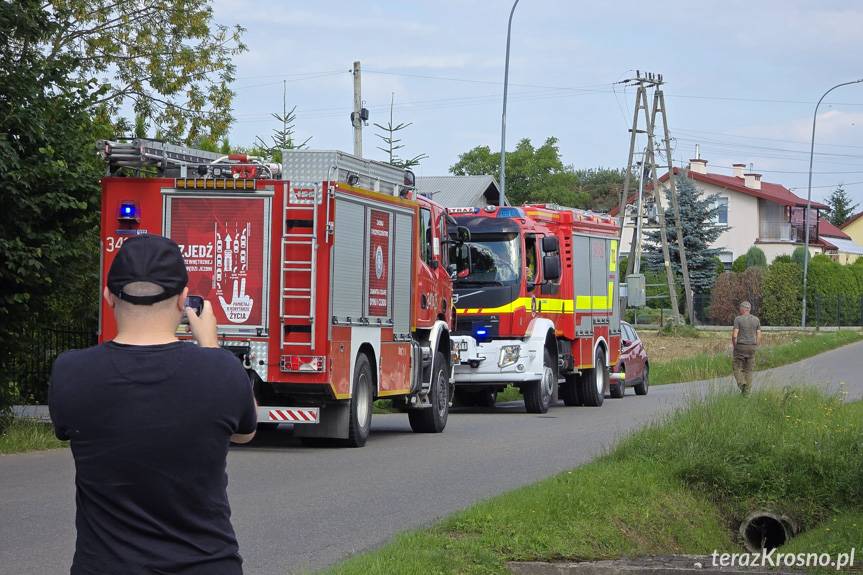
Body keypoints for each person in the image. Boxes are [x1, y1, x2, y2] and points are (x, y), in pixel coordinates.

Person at [49, 234, 257, 575]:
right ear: (184, 301)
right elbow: (244, 433)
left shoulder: (71, 371)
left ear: (109, 296)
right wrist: (210, 347)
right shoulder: (221, 370)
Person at [732, 300, 762, 395]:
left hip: (741, 346)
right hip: (752, 347)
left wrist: (735, 346)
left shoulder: (738, 319)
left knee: (737, 367)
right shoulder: (756, 320)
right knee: (749, 370)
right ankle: (747, 393)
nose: (739, 310)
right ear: (749, 309)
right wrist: (756, 345)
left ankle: (742, 384)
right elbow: (759, 335)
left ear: (743, 309)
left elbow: (735, 335)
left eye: (740, 308)